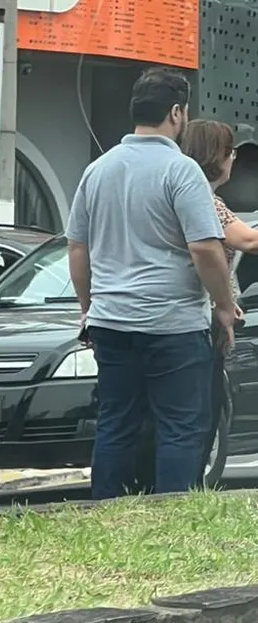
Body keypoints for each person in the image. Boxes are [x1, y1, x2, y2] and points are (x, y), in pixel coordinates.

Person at [65, 67, 237, 500]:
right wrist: (222, 303)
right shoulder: (181, 172)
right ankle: (172, 516)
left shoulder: (97, 171)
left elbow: (77, 249)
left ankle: (105, 513)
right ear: (177, 113)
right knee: (180, 426)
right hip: (172, 325)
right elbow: (205, 248)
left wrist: (89, 306)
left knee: (116, 423)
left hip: (111, 322)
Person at [180, 119, 258, 483]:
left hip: (195, 316)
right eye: (231, 152)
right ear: (219, 156)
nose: (234, 159)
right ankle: (185, 486)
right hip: (203, 318)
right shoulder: (204, 200)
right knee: (200, 410)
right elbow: (248, 241)